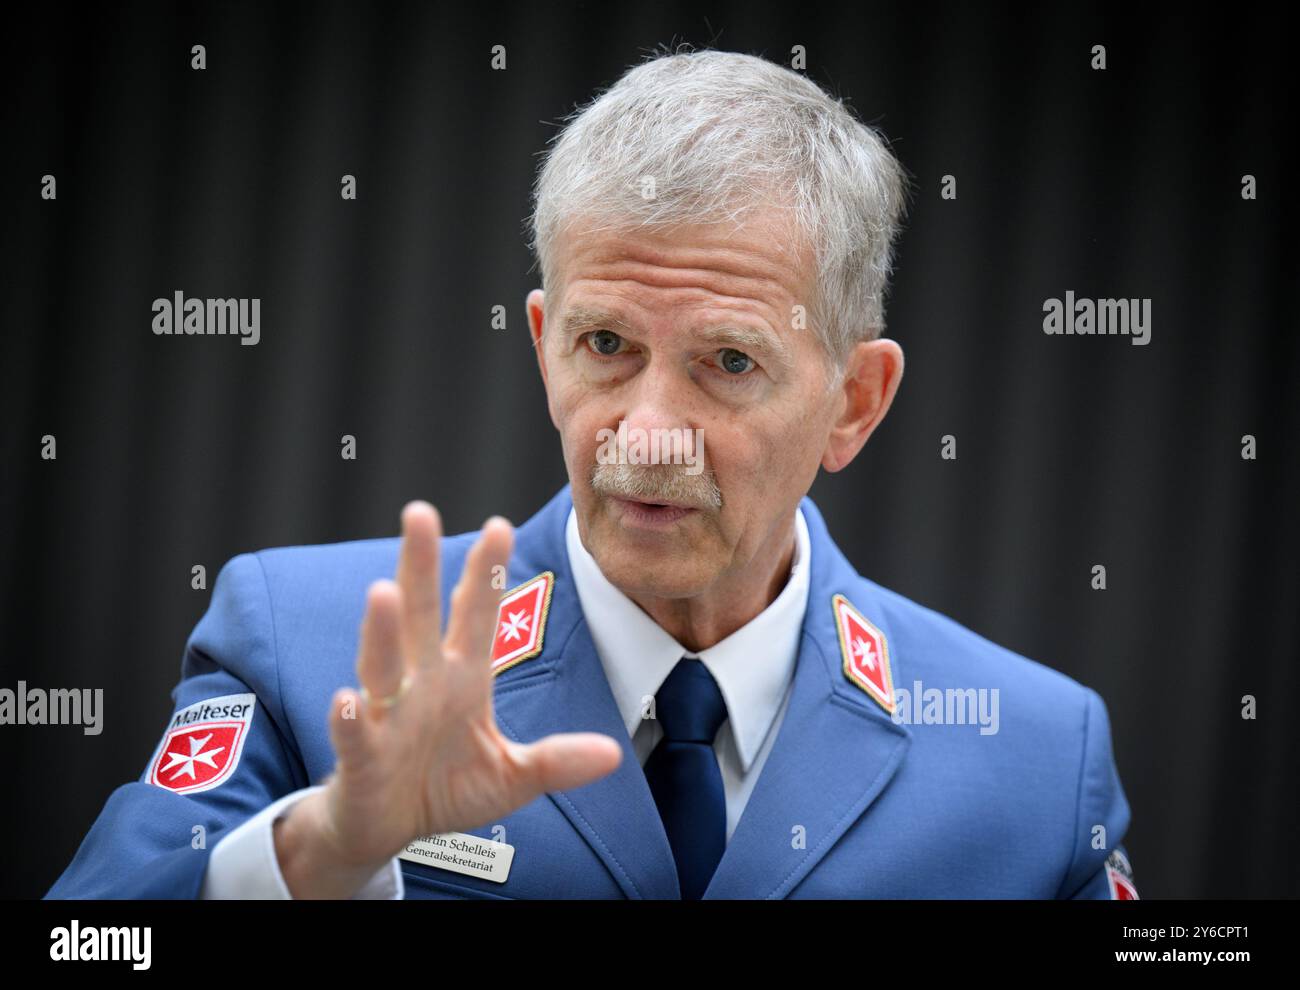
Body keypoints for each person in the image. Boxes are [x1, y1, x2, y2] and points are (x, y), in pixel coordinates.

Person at [46, 48, 1136, 900]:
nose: (647, 433)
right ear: (541, 341)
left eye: (728, 362)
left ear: (853, 401)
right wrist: (323, 851)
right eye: (606, 345)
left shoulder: (1034, 763)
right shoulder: (302, 646)